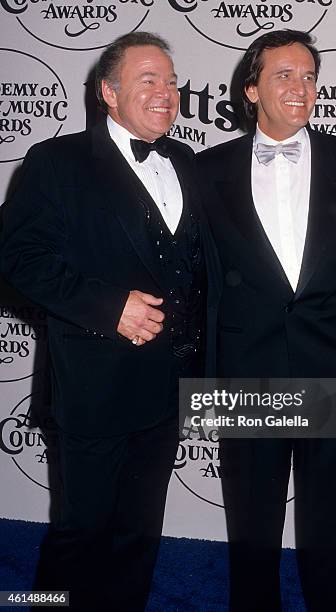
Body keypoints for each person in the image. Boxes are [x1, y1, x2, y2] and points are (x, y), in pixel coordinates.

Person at [197, 29, 336, 611]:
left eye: (309, 76)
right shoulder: (206, 170)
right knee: (251, 530)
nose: (301, 88)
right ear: (251, 89)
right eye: (284, 75)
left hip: (334, 366)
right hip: (246, 373)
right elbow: (195, 277)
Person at [1, 32, 208, 612]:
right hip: (93, 386)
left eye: (171, 81)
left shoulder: (186, 162)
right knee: (78, 537)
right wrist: (108, 305)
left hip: (168, 389)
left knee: (139, 536)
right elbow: (17, 259)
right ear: (108, 93)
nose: (166, 93)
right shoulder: (57, 161)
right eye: (149, 80)